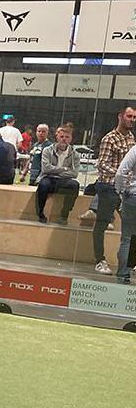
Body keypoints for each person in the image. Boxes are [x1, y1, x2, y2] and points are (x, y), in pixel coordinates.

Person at [91, 106, 135, 275]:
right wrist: (120, 174)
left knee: (131, 226)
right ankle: (99, 260)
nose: (131, 119)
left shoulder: (131, 138)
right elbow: (101, 164)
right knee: (102, 222)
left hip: (127, 188)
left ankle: (129, 262)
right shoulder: (109, 138)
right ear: (120, 117)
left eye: (134, 117)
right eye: (129, 116)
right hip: (109, 186)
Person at [36, 126, 80, 225]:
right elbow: (46, 169)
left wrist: (55, 170)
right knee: (43, 185)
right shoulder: (47, 150)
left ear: (71, 138)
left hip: (64, 180)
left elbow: (74, 173)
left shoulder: (75, 154)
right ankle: (40, 213)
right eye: (62, 136)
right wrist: (64, 169)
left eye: (67, 137)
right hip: (49, 178)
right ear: (57, 137)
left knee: (74, 185)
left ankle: (64, 215)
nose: (64, 139)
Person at [113, 143, 136, 284]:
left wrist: (120, 191)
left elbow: (121, 172)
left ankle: (123, 275)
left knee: (128, 238)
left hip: (133, 197)